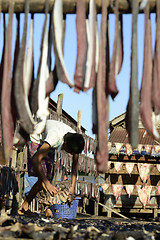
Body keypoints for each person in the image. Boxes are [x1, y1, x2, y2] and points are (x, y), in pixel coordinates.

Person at [18, 119, 85, 217]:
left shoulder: (75, 140)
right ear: (65, 145)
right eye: (70, 152)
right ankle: (46, 209)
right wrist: (48, 184)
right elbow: (36, 160)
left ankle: (24, 207)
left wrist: (72, 186)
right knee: (43, 179)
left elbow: (75, 164)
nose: (71, 154)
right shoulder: (54, 137)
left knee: (45, 178)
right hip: (36, 139)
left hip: (49, 142)